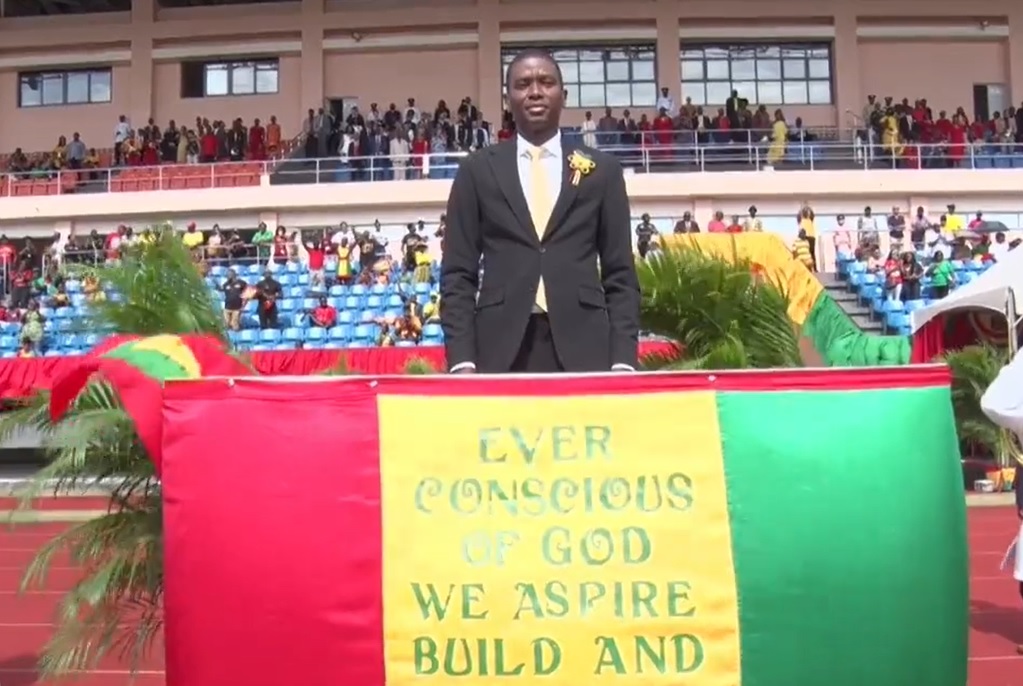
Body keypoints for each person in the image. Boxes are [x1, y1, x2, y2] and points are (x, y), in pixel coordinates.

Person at [440, 47, 640, 374]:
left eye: (546, 82)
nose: (535, 91)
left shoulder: (603, 171)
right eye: (523, 84)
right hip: (499, 351)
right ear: (507, 99)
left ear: (564, 95)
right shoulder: (476, 171)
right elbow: (457, 273)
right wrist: (462, 360)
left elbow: (620, 273)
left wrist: (623, 360)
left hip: (587, 349)